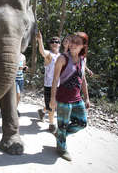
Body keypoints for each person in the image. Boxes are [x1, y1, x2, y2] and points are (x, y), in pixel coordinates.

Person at [50, 32, 91, 161]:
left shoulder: (83, 59)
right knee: (62, 124)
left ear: (83, 46)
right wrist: (52, 99)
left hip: (77, 98)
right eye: (72, 41)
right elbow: (55, 79)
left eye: (77, 43)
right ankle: (61, 148)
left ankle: (60, 135)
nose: (73, 44)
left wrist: (87, 98)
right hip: (63, 99)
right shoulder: (62, 58)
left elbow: (83, 79)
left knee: (82, 123)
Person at [36, 31, 60, 133]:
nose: (54, 42)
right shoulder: (49, 55)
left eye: (57, 41)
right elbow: (42, 51)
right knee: (52, 105)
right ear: (50, 44)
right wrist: (40, 40)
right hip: (49, 85)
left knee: (53, 104)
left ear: (59, 44)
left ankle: (42, 111)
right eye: (52, 41)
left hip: (59, 85)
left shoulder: (62, 56)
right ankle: (51, 124)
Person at [15, 53, 28, 117]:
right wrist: (19, 68)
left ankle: (14, 108)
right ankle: (14, 110)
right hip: (14, 79)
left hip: (21, 79)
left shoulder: (23, 56)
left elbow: (24, 66)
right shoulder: (13, 54)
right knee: (18, 95)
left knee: (18, 96)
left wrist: (25, 68)